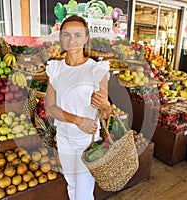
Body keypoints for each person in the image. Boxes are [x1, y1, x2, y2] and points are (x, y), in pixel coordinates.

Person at [45, 15, 111, 200]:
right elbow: (50, 107)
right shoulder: (55, 68)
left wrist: (105, 106)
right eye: (66, 35)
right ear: (61, 38)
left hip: (86, 141)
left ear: (86, 37)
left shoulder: (96, 69)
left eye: (77, 35)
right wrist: (77, 120)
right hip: (64, 137)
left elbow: (105, 112)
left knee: (83, 193)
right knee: (71, 183)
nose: (71, 40)